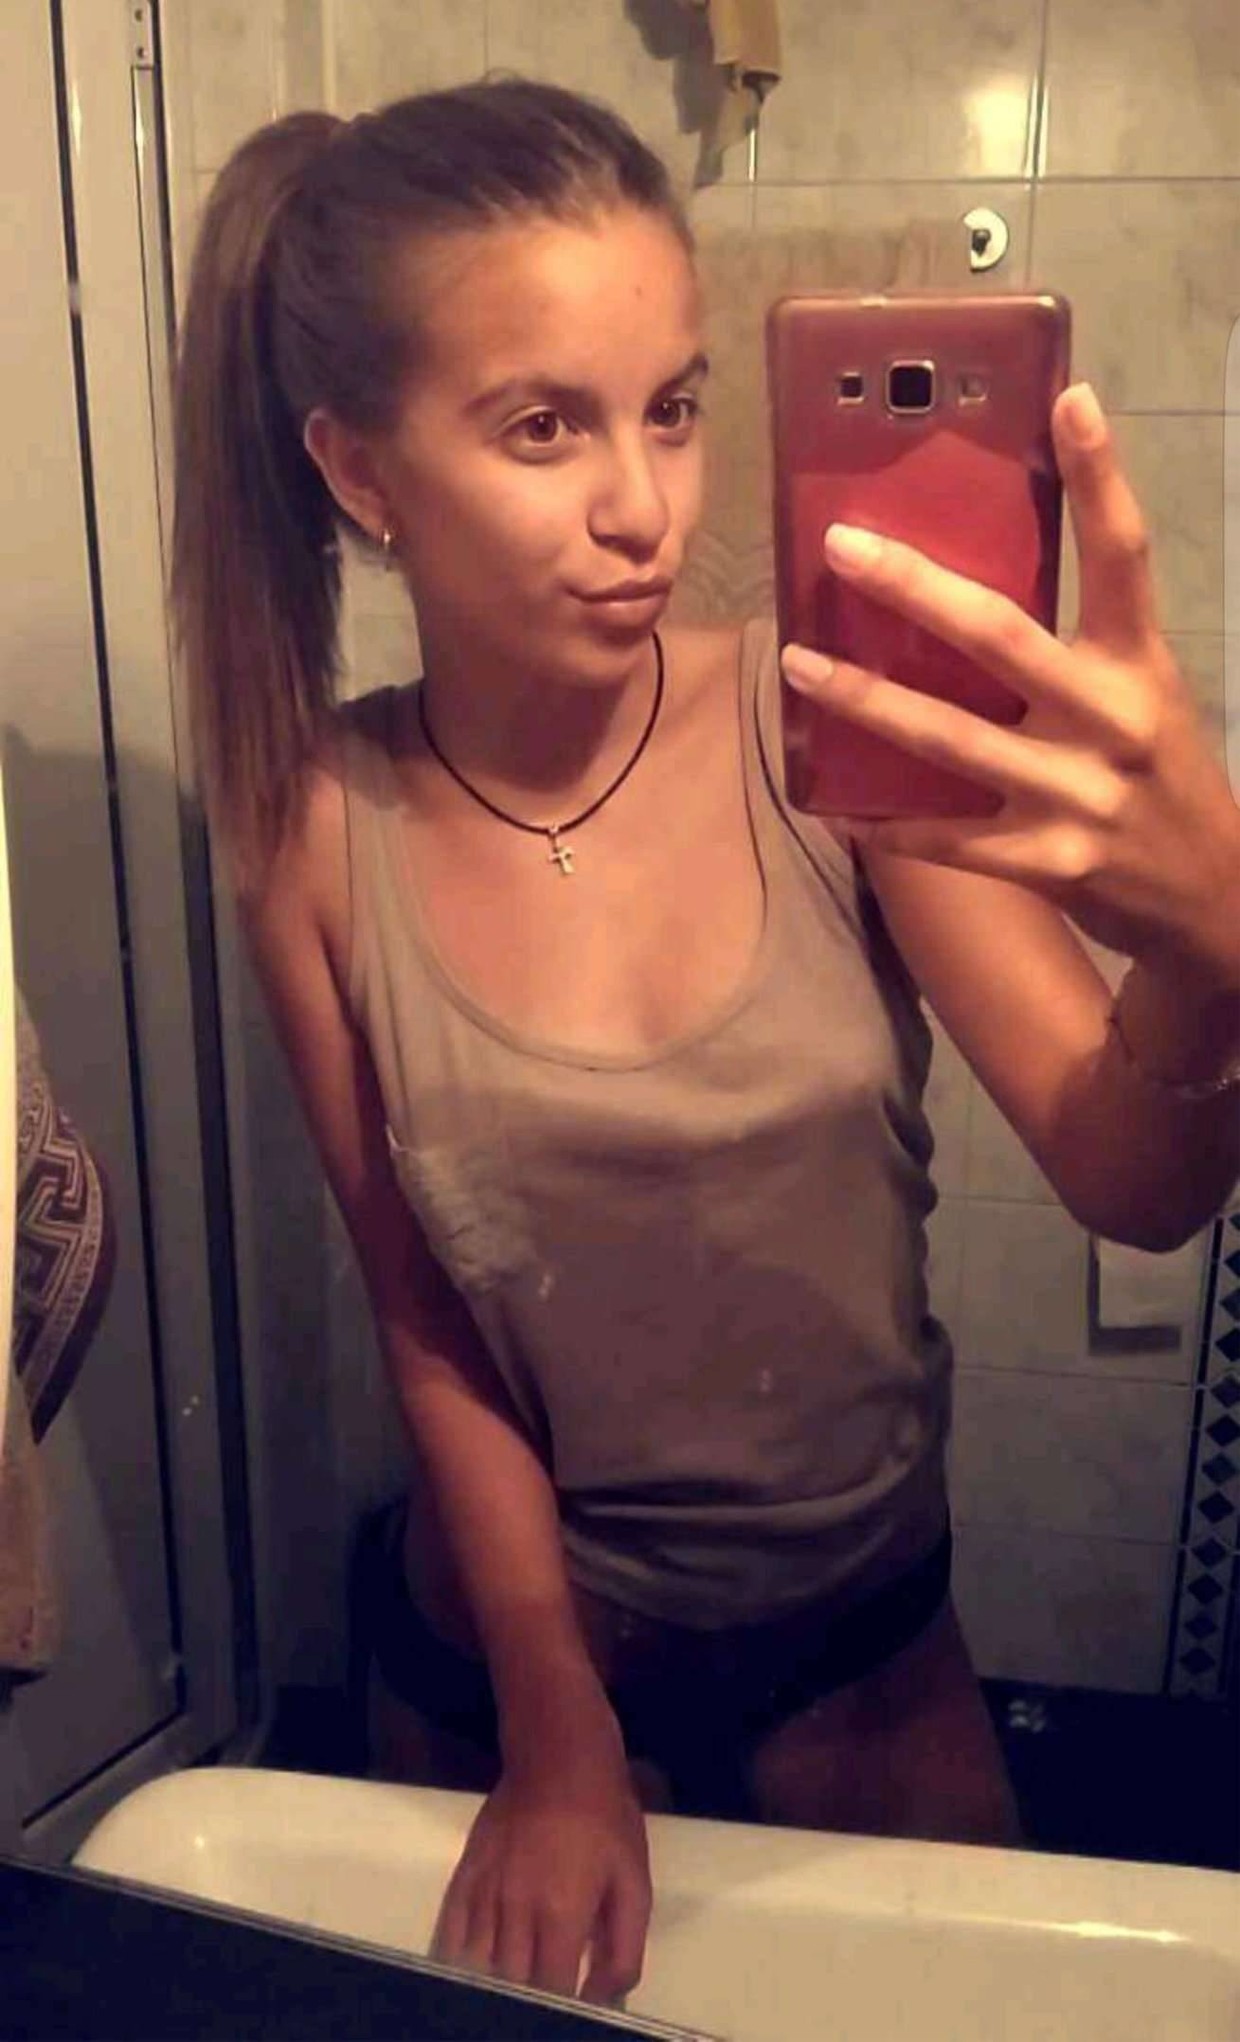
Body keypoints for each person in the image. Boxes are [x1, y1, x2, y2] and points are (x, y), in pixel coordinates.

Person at [171, 77, 1240, 2009]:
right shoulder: (309, 831)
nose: (645, 508)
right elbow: (426, 1314)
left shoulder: (827, 727)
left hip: (867, 1657)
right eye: (543, 425)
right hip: (498, 1679)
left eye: (669, 407)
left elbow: (1140, 1179)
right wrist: (554, 1716)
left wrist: (1212, 940)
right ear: (361, 474)